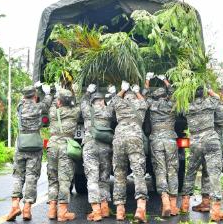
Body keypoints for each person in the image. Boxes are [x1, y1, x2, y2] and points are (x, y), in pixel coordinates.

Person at [180, 86, 223, 222]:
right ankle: (216, 211)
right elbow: (218, 97)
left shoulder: (187, 107)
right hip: (211, 140)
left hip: (195, 141)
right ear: (204, 94)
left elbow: (181, 109)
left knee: (190, 172)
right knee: (214, 174)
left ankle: (184, 205)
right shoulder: (210, 102)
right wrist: (209, 89)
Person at [6, 84, 53, 221]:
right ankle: (27, 209)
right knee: (32, 176)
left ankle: (15, 205)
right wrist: (48, 92)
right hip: (35, 145)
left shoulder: (20, 107)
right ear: (35, 96)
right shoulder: (39, 107)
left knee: (18, 176)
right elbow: (47, 102)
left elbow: (23, 100)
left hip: (21, 144)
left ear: (23, 96)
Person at [192, 85, 223, 213]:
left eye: (219, 91)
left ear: (222, 94)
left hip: (214, 137)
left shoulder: (219, 104)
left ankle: (207, 202)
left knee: (208, 170)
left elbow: (214, 116)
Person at [111, 81, 148, 222]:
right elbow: (144, 102)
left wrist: (122, 90)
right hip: (134, 138)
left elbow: (114, 100)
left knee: (119, 174)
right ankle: (140, 208)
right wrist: (138, 92)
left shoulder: (119, 104)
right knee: (138, 173)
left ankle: (120, 211)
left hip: (119, 139)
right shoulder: (140, 105)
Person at [142, 72, 179, 217]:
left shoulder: (151, 105)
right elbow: (175, 93)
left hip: (156, 140)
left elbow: (144, 95)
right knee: (172, 171)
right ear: (165, 96)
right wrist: (165, 80)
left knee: (160, 171)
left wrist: (147, 80)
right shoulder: (172, 104)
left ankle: (165, 203)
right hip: (170, 140)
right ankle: (174, 205)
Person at [81, 84, 114, 222]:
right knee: (104, 178)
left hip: (90, 147)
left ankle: (96, 211)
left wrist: (88, 92)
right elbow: (115, 103)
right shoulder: (108, 111)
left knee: (92, 179)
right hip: (105, 148)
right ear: (103, 102)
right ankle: (105, 208)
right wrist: (113, 93)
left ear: (92, 102)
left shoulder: (88, 111)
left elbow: (82, 102)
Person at [46, 89, 80, 222]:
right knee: (64, 180)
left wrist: (54, 95)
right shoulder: (74, 112)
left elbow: (53, 103)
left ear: (59, 101)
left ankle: (52, 211)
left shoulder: (53, 112)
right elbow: (78, 105)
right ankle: (63, 212)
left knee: (53, 179)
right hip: (66, 146)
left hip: (52, 145)